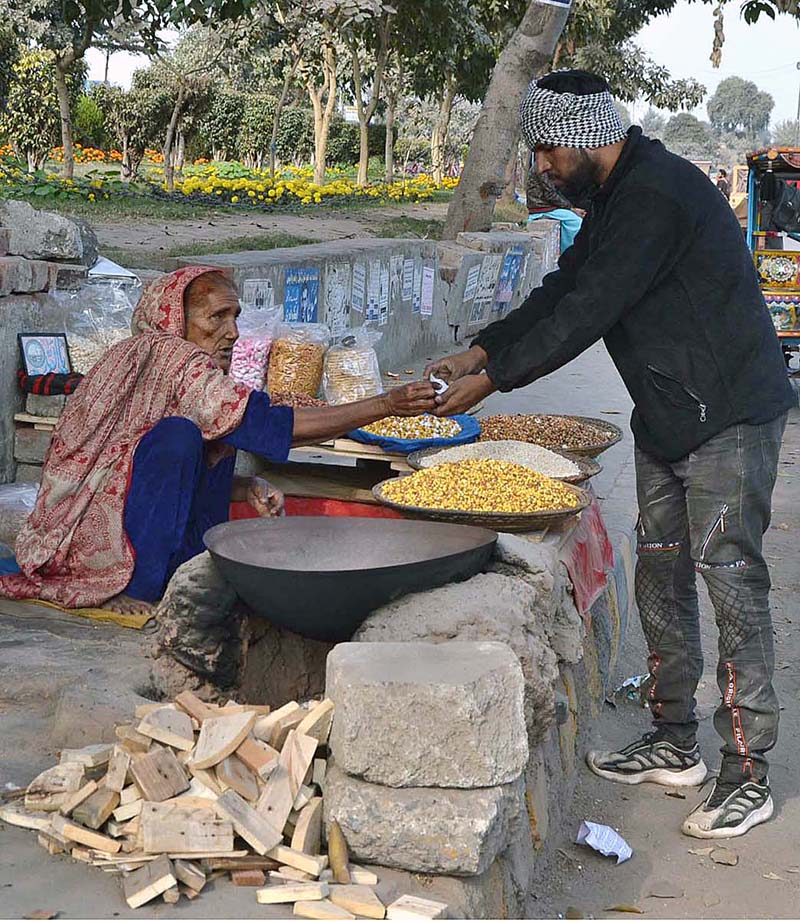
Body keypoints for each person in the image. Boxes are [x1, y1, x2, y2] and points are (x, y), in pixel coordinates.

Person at [426, 69, 797, 839]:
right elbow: (567, 285)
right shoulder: (616, 195)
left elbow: (593, 309)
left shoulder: (657, 193)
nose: (542, 166)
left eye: (549, 149)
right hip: (668, 414)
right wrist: (485, 348)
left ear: (592, 136)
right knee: (659, 571)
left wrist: (497, 380)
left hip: (728, 415)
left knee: (731, 583)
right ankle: (673, 740)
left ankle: (749, 773)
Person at [0, 266, 435, 616]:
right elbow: (265, 428)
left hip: (125, 508)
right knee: (184, 434)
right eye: (216, 318)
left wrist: (245, 488)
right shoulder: (172, 355)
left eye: (235, 317)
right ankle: (132, 586)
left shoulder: (174, 361)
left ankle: (179, 568)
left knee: (209, 433)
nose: (232, 333)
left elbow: (158, 474)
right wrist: (384, 405)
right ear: (176, 319)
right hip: (87, 537)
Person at [526, 163, 584, 252]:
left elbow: (555, 192)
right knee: (576, 222)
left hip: (547, 206)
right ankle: (568, 252)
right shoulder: (541, 167)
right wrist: (571, 209)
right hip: (541, 207)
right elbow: (550, 194)